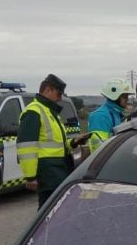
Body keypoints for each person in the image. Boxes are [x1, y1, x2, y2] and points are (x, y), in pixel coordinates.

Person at [18, 74, 90, 208]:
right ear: (48, 90)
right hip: (48, 171)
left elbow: (55, 144)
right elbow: (26, 146)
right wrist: (30, 176)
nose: (60, 98)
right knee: (49, 211)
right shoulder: (34, 112)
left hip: (56, 169)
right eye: (59, 93)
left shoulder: (50, 112)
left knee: (55, 210)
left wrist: (74, 142)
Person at [87, 76, 133, 152]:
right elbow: (99, 148)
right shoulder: (101, 116)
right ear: (115, 96)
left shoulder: (116, 114)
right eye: (125, 96)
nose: (127, 99)